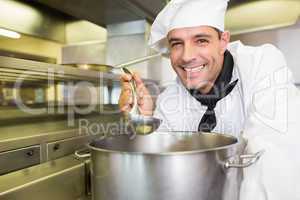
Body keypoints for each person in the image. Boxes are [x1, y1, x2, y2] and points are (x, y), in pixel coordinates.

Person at [119, 0, 300, 199]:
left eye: (201, 40)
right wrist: (143, 120)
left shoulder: (262, 65)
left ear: (223, 41)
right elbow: (161, 168)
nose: (187, 56)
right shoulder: (169, 99)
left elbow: (272, 158)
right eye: (177, 44)